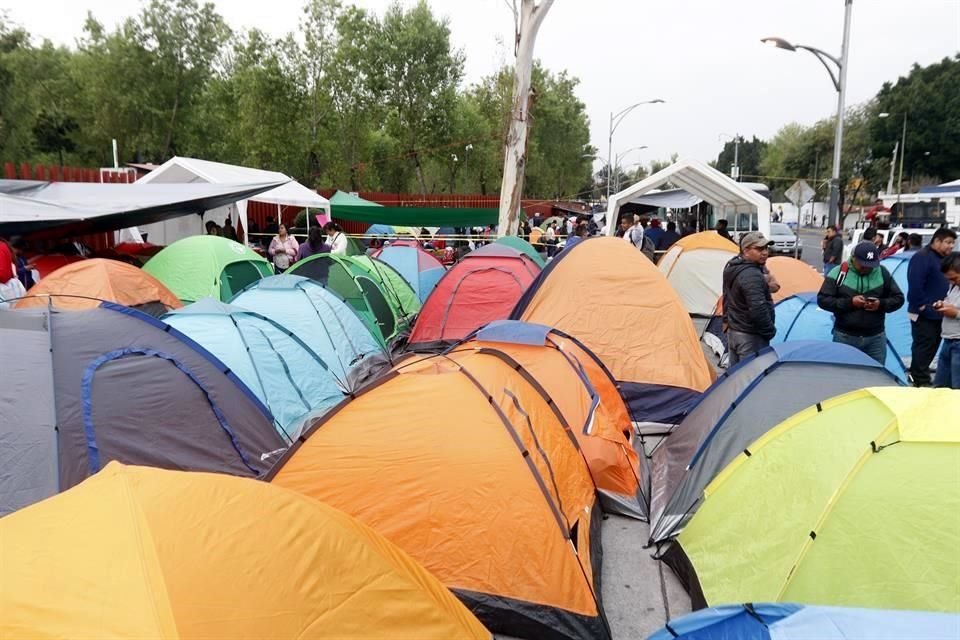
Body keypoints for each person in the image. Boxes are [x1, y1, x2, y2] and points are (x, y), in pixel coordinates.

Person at [817, 241, 904, 364]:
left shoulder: (882, 273)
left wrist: (880, 304)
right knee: (844, 374)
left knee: (876, 375)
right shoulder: (838, 272)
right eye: (863, 265)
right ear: (853, 259)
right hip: (845, 336)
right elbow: (823, 300)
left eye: (870, 266)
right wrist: (850, 303)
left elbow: (898, 299)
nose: (866, 269)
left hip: (875, 337)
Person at [907, 228, 957, 386]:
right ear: (937, 241)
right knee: (924, 349)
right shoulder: (922, 257)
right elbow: (915, 286)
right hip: (925, 314)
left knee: (933, 348)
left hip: (941, 313)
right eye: (948, 242)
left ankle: (923, 379)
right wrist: (923, 307)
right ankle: (918, 381)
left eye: (953, 243)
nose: (951, 246)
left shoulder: (945, 259)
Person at [722, 232, 779, 365]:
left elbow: (726, 296)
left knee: (735, 376)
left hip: (735, 330)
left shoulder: (733, 266)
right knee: (750, 377)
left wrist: (726, 320)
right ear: (746, 250)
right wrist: (770, 331)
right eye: (759, 249)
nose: (765, 252)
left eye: (766, 248)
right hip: (750, 335)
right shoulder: (751, 275)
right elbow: (758, 308)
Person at [932, 253, 960, 389]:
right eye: (949, 279)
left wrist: (956, 313)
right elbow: (951, 303)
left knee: (957, 388)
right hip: (948, 340)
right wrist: (942, 304)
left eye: (954, 278)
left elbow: (956, 311)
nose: (952, 282)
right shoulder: (953, 287)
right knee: (940, 386)